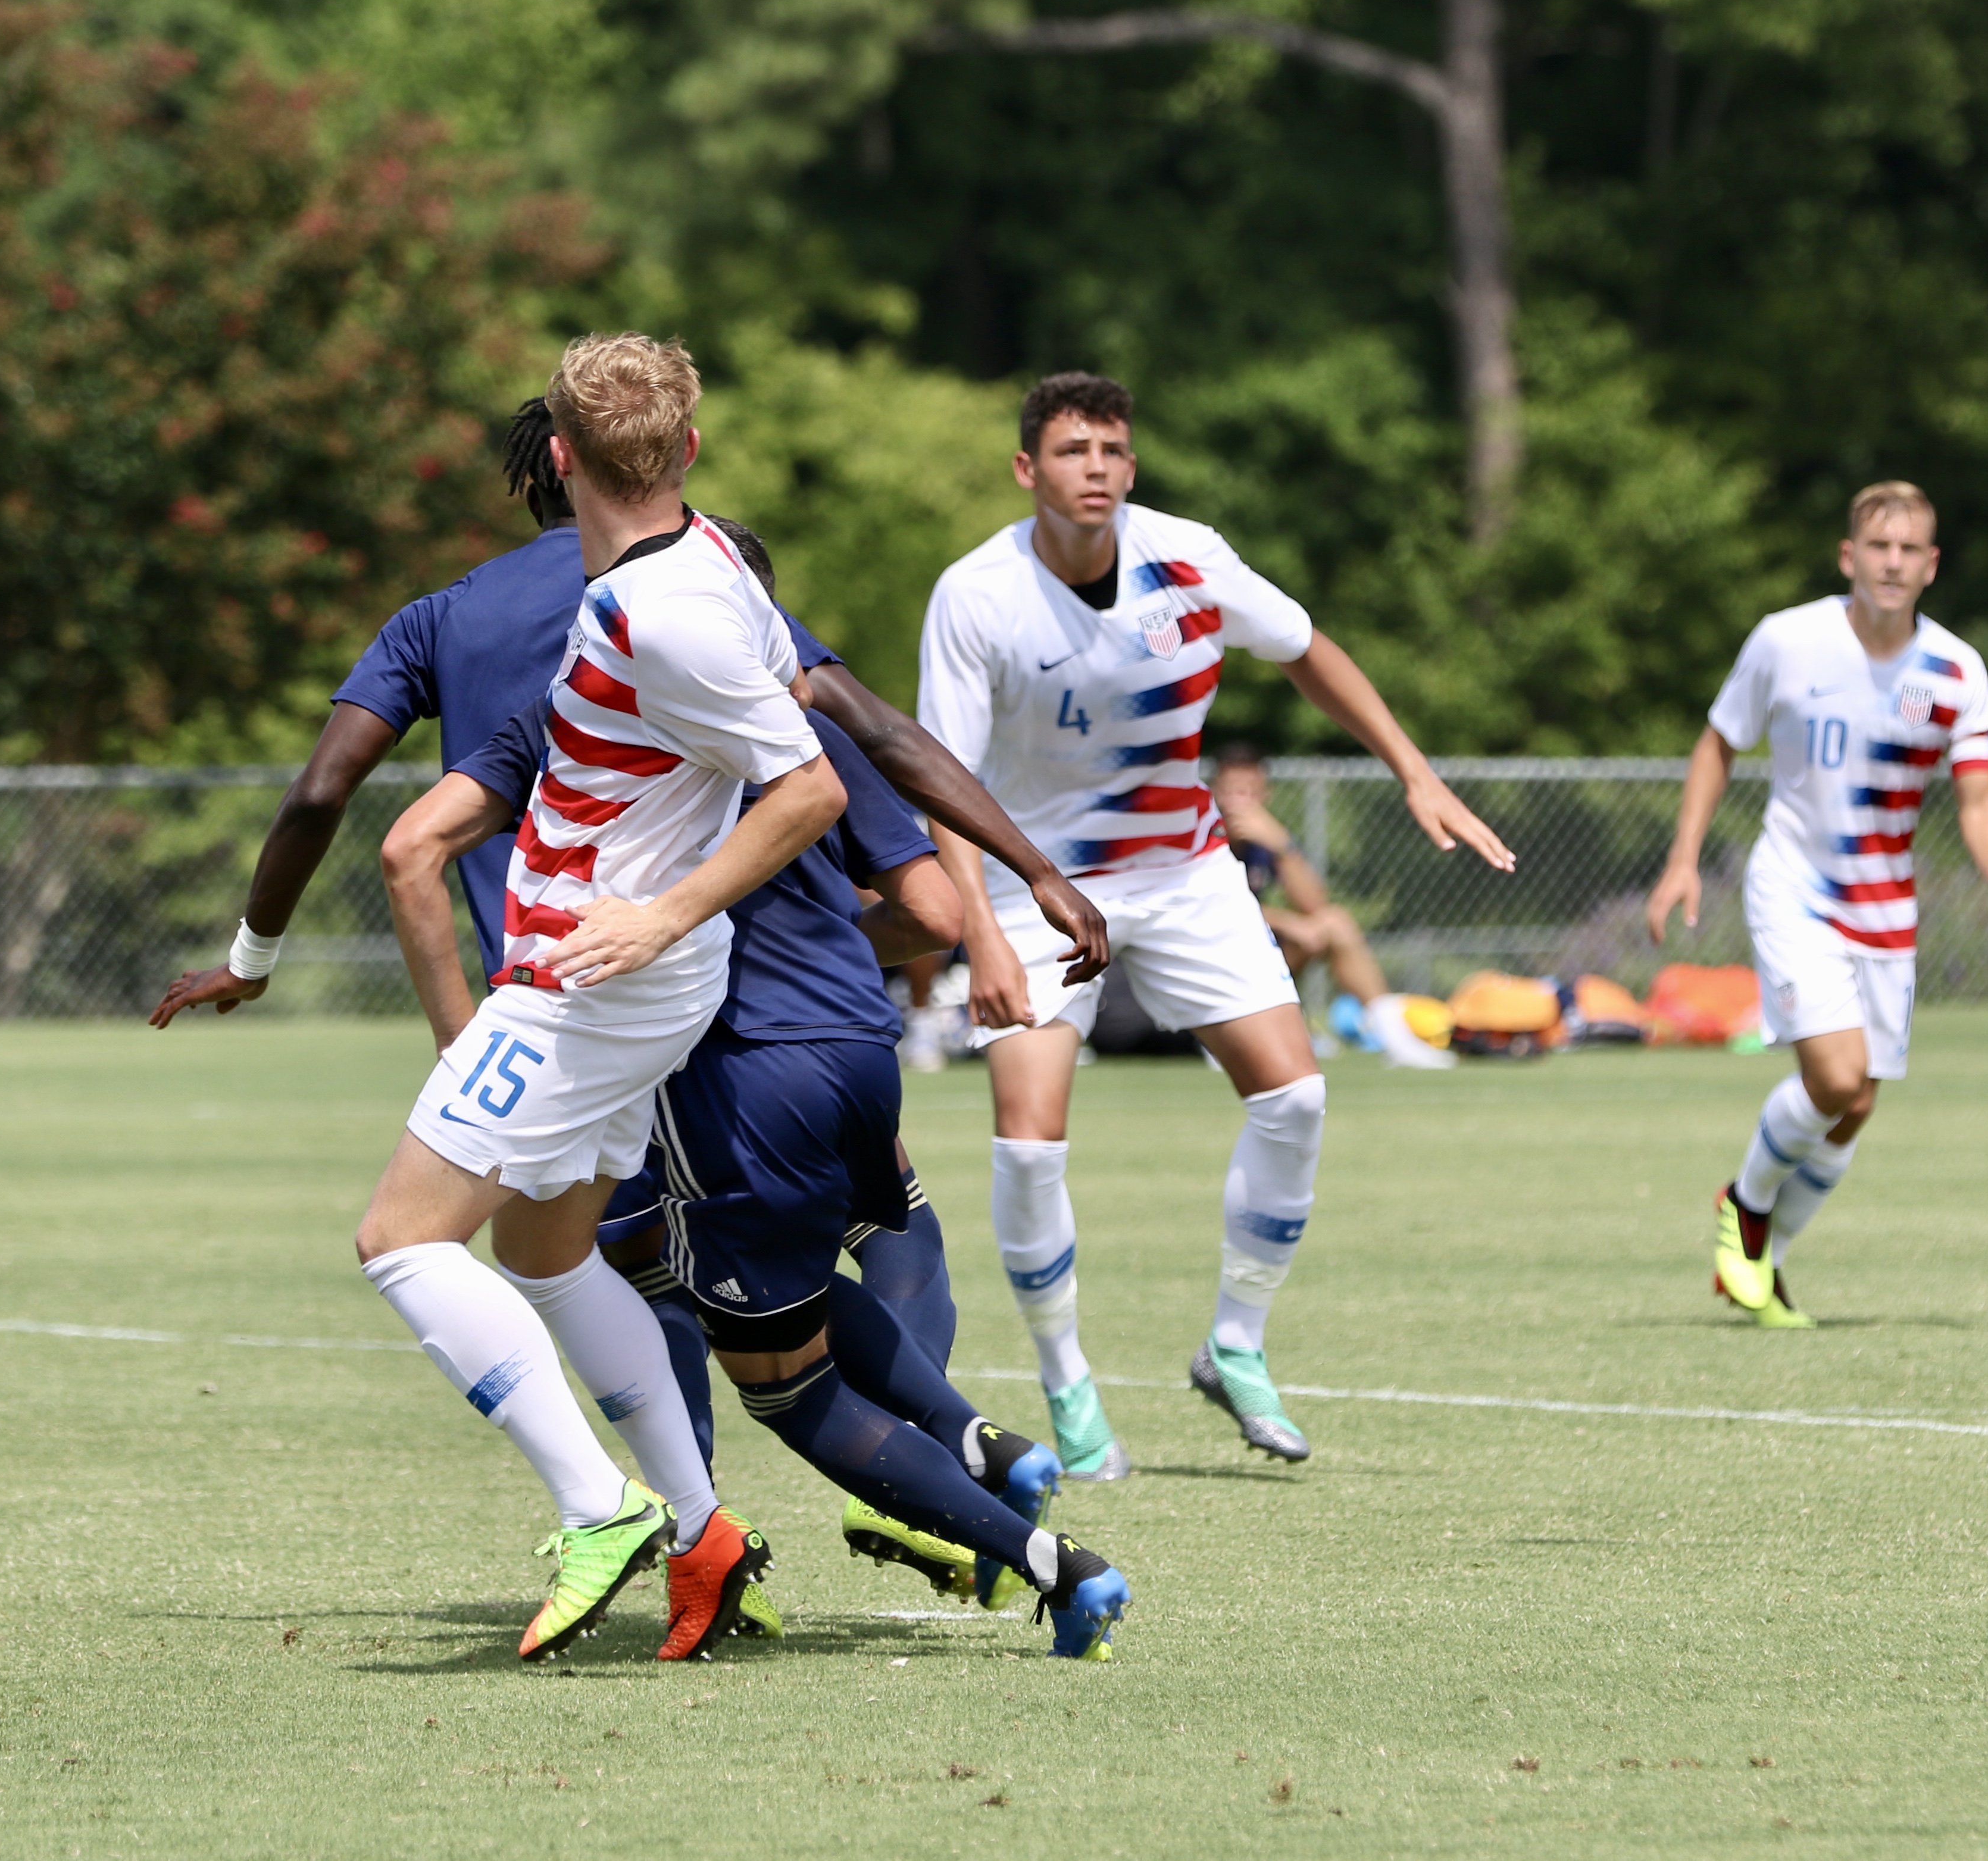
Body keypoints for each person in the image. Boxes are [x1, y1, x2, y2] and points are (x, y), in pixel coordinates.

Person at [152, 390, 1105, 1652]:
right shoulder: (725, 579)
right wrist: (1016, 892)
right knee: (573, 1258)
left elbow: (381, 826)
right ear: (687, 450)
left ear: (549, 462)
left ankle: (615, 1506)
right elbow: (875, 758)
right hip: (756, 1013)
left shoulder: (528, 621)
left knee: (410, 1243)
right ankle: (724, 1528)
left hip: (602, 995)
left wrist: (289, 969)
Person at [416, 533, 1130, 1660]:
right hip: (857, 1040)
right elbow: (934, 901)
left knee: (733, 1339)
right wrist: (1017, 878)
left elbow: (417, 843)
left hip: (739, 1067)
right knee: (877, 1235)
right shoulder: (808, 720)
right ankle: (966, 1435)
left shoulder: (621, 719)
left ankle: (1008, 1542)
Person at [917, 372, 1514, 1473]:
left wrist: (1416, 772)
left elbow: (1307, 650)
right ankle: (1068, 1383)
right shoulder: (976, 595)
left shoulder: (1190, 556)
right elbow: (942, 777)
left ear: (1131, 468)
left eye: (1110, 449)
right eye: (1069, 451)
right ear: (1026, 470)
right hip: (1037, 882)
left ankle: (1234, 1343)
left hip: (1185, 871)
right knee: (1029, 1139)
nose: (1093, 467)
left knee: (1294, 1099)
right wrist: (984, 936)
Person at [1648, 481, 1988, 1328]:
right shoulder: (1785, 641)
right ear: (1847, 557)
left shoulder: (1954, 670)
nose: (1891, 563)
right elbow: (1718, 743)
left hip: (1885, 909)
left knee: (1857, 1101)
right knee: (1831, 1078)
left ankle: (1764, 1263)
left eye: (1909, 550)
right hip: (1791, 887)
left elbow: (1976, 798)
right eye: (1877, 546)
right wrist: (1683, 860)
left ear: (1930, 566)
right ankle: (1745, 1208)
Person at [1207, 740, 1454, 1070]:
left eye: (1252, 792)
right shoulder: (1202, 837)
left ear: (1266, 795)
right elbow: (1211, 910)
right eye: (1234, 791)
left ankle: (1396, 1039)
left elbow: (1314, 904)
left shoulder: (1264, 840)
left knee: (1335, 923)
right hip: (1207, 958)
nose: (1243, 802)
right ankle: (1219, 1039)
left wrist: (1283, 846)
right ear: (1215, 793)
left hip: (1251, 956)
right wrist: (1287, 923)